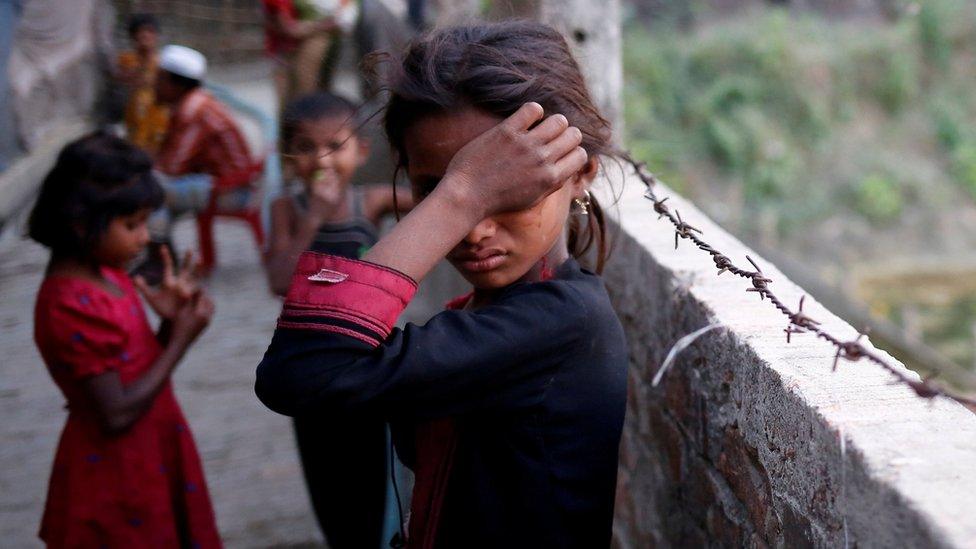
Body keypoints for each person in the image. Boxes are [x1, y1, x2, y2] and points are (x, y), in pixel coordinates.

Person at [256, 21, 627, 548]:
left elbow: (301, 370)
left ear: (580, 173)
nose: (473, 228)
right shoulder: (494, 308)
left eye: (510, 191)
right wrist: (463, 190)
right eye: (434, 190)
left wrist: (460, 196)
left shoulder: (563, 321)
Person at [29, 132, 221, 548]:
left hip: (152, 448)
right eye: (131, 225)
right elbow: (115, 412)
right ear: (81, 224)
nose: (144, 238)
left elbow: (131, 367)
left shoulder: (108, 273)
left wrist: (170, 325)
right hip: (117, 471)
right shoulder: (68, 301)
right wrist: (181, 342)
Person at [265, 90, 413, 547]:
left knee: (371, 469)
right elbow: (278, 279)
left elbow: (440, 205)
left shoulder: (370, 204)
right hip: (311, 370)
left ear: (361, 151)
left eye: (334, 146)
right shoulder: (286, 209)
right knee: (326, 476)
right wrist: (314, 218)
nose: (320, 159)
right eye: (305, 148)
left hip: (368, 363)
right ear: (288, 156)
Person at [146, 45, 258, 264]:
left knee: (150, 190)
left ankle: (159, 259)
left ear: (174, 83)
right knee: (150, 185)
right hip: (221, 183)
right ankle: (160, 253)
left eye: (159, 80)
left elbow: (173, 167)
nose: (154, 86)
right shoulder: (193, 103)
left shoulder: (193, 110)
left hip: (230, 191)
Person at [262, 0, 357, 109]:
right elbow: (289, 29)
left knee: (310, 95)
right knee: (298, 100)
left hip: (296, 50)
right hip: (285, 54)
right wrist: (324, 25)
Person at [116, 14, 169, 154]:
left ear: (156, 35)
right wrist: (144, 59)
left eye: (150, 31)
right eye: (140, 32)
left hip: (160, 119)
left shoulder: (165, 61)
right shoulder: (127, 59)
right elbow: (125, 80)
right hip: (136, 118)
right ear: (133, 37)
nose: (145, 35)